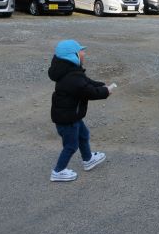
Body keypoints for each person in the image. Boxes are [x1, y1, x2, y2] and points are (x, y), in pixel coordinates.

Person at [48, 40, 116, 182]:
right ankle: (58, 171)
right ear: (72, 56)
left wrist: (101, 85)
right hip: (67, 119)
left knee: (83, 135)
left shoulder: (71, 71)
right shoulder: (72, 77)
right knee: (71, 146)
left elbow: (87, 82)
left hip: (72, 115)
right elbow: (88, 91)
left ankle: (88, 159)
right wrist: (105, 92)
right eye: (81, 51)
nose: (84, 53)